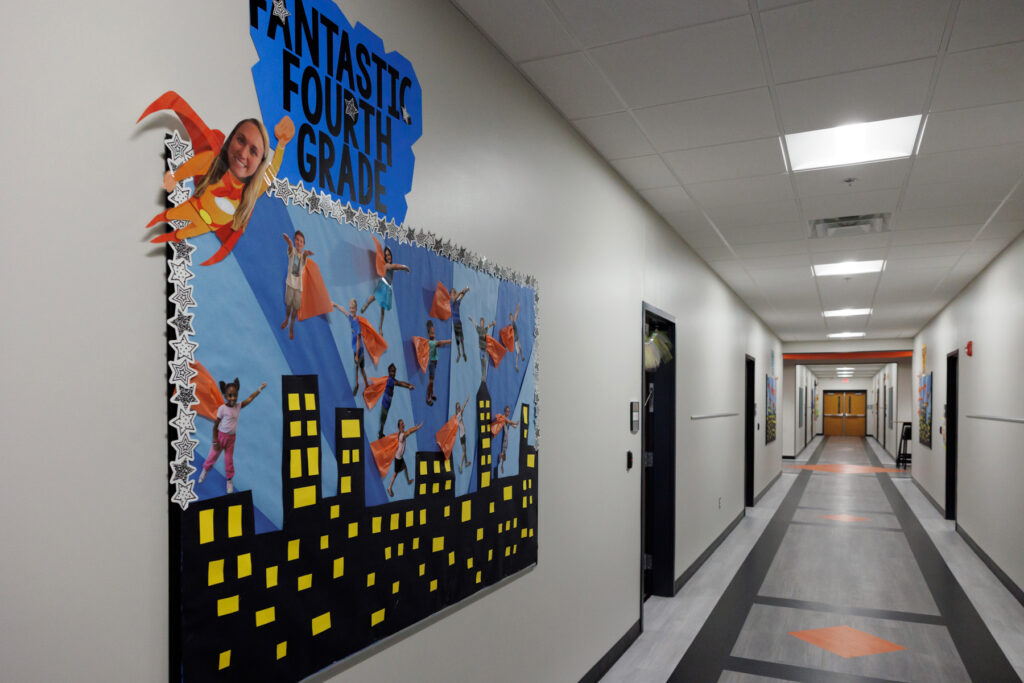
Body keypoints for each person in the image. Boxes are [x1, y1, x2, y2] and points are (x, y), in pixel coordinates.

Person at [149, 115, 295, 265]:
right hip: (194, 207)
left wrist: (281, 145)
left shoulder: (250, 192)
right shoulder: (215, 165)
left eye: (253, 151)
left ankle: (151, 243)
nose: (244, 154)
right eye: (240, 140)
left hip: (206, 224)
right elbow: (196, 165)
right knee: (166, 216)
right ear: (231, 139)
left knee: (177, 234)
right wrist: (176, 176)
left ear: (260, 163)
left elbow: (272, 173)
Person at [198, 379, 266, 494]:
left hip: (231, 439)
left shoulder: (238, 406)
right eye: (230, 395)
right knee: (212, 456)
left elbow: (250, 398)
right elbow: (215, 426)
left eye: (235, 395)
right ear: (225, 395)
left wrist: (260, 388)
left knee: (229, 461)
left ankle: (229, 481)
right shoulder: (222, 409)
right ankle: (204, 470)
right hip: (220, 437)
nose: (233, 398)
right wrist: (215, 441)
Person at [361, 244, 410, 331]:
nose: (388, 257)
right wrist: (404, 267)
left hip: (388, 288)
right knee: (373, 297)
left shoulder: (389, 265)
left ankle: (380, 327)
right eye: (386, 255)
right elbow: (395, 266)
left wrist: (402, 268)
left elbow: (395, 267)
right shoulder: (387, 265)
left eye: (389, 255)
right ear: (384, 257)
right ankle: (365, 305)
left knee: (382, 309)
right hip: (383, 284)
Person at [332, 299, 372, 395]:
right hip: (356, 350)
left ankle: (366, 385)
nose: (351, 310)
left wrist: (356, 355)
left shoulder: (357, 324)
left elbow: (358, 340)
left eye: (353, 308)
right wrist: (336, 304)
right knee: (357, 368)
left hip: (359, 350)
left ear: (356, 309)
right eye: (350, 308)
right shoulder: (351, 318)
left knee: (360, 368)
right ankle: (358, 385)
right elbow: (344, 311)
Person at [281, 231, 313, 340]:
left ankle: (291, 326)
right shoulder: (292, 252)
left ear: (304, 244)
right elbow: (290, 247)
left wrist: (306, 254)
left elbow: (304, 257)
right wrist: (289, 242)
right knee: (288, 305)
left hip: (298, 288)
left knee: (295, 308)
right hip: (290, 284)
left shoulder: (304, 257)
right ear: (295, 241)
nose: (299, 243)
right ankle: (286, 319)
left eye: (301, 242)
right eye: (297, 240)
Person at [374, 363, 414, 439]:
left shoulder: (392, 379)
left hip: (388, 402)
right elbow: (399, 383)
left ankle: (381, 432)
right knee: (383, 419)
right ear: (389, 372)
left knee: (384, 419)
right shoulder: (389, 380)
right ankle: (380, 433)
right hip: (385, 403)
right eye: (391, 371)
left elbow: (400, 382)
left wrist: (409, 384)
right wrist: (408, 386)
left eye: (394, 371)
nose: (393, 373)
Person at [387, 419, 421, 497]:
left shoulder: (402, 433)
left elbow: (408, 430)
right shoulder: (402, 435)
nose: (403, 425)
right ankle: (389, 487)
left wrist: (415, 428)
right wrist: (417, 428)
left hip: (400, 457)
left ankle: (408, 481)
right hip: (398, 458)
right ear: (399, 427)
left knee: (405, 468)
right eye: (401, 424)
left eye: (403, 423)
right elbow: (409, 432)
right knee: (395, 474)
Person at [424, 320, 451, 406]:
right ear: (428, 335)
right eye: (432, 333)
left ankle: (432, 393)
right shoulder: (431, 343)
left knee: (432, 380)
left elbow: (439, 344)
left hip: (434, 364)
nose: (434, 333)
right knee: (431, 382)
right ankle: (428, 398)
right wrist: (450, 341)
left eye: (433, 331)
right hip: (432, 364)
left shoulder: (433, 341)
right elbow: (440, 343)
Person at [491, 405, 519, 476]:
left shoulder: (506, 419)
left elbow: (512, 424)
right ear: (505, 412)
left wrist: (515, 425)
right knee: (504, 452)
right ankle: (500, 459)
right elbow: (510, 422)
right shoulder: (504, 417)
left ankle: (501, 465)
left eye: (509, 411)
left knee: (505, 452)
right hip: (505, 438)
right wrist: (515, 423)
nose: (508, 412)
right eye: (507, 411)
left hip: (506, 438)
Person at [472, 317, 496, 382]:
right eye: (480, 322)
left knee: (485, 362)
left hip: (485, 349)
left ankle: (485, 376)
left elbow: (489, 326)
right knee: (482, 363)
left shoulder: (485, 330)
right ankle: (483, 377)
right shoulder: (479, 329)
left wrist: (493, 323)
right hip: (481, 349)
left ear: (483, 323)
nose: (481, 323)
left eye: (482, 322)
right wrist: (472, 319)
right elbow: (475, 324)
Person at [450, 286, 470, 362]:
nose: (453, 294)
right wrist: (461, 291)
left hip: (459, 323)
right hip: (455, 324)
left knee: (461, 339)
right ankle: (459, 353)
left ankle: (464, 353)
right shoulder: (451, 302)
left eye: (454, 293)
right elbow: (456, 297)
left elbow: (461, 296)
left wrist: (466, 291)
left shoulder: (457, 302)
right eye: (452, 293)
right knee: (457, 340)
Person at [455, 395, 471, 473]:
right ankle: (461, 465)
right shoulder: (458, 415)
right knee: (464, 452)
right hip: (462, 436)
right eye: (458, 407)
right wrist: (467, 400)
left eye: (459, 407)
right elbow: (463, 408)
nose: (459, 408)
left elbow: (462, 410)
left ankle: (466, 462)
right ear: (456, 409)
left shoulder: (459, 415)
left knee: (465, 450)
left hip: (462, 435)